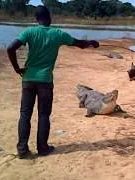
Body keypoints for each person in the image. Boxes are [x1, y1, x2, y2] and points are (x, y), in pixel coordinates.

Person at [7, 5, 99, 159]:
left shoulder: (29, 32)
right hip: (45, 81)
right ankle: (43, 148)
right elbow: (79, 44)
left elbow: (10, 48)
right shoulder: (58, 34)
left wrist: (17, 69)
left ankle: (22, 150)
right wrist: (92, 42)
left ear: (36, 19)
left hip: (28, 80)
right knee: (43, 115)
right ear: (49, 18)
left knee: (25, 115)